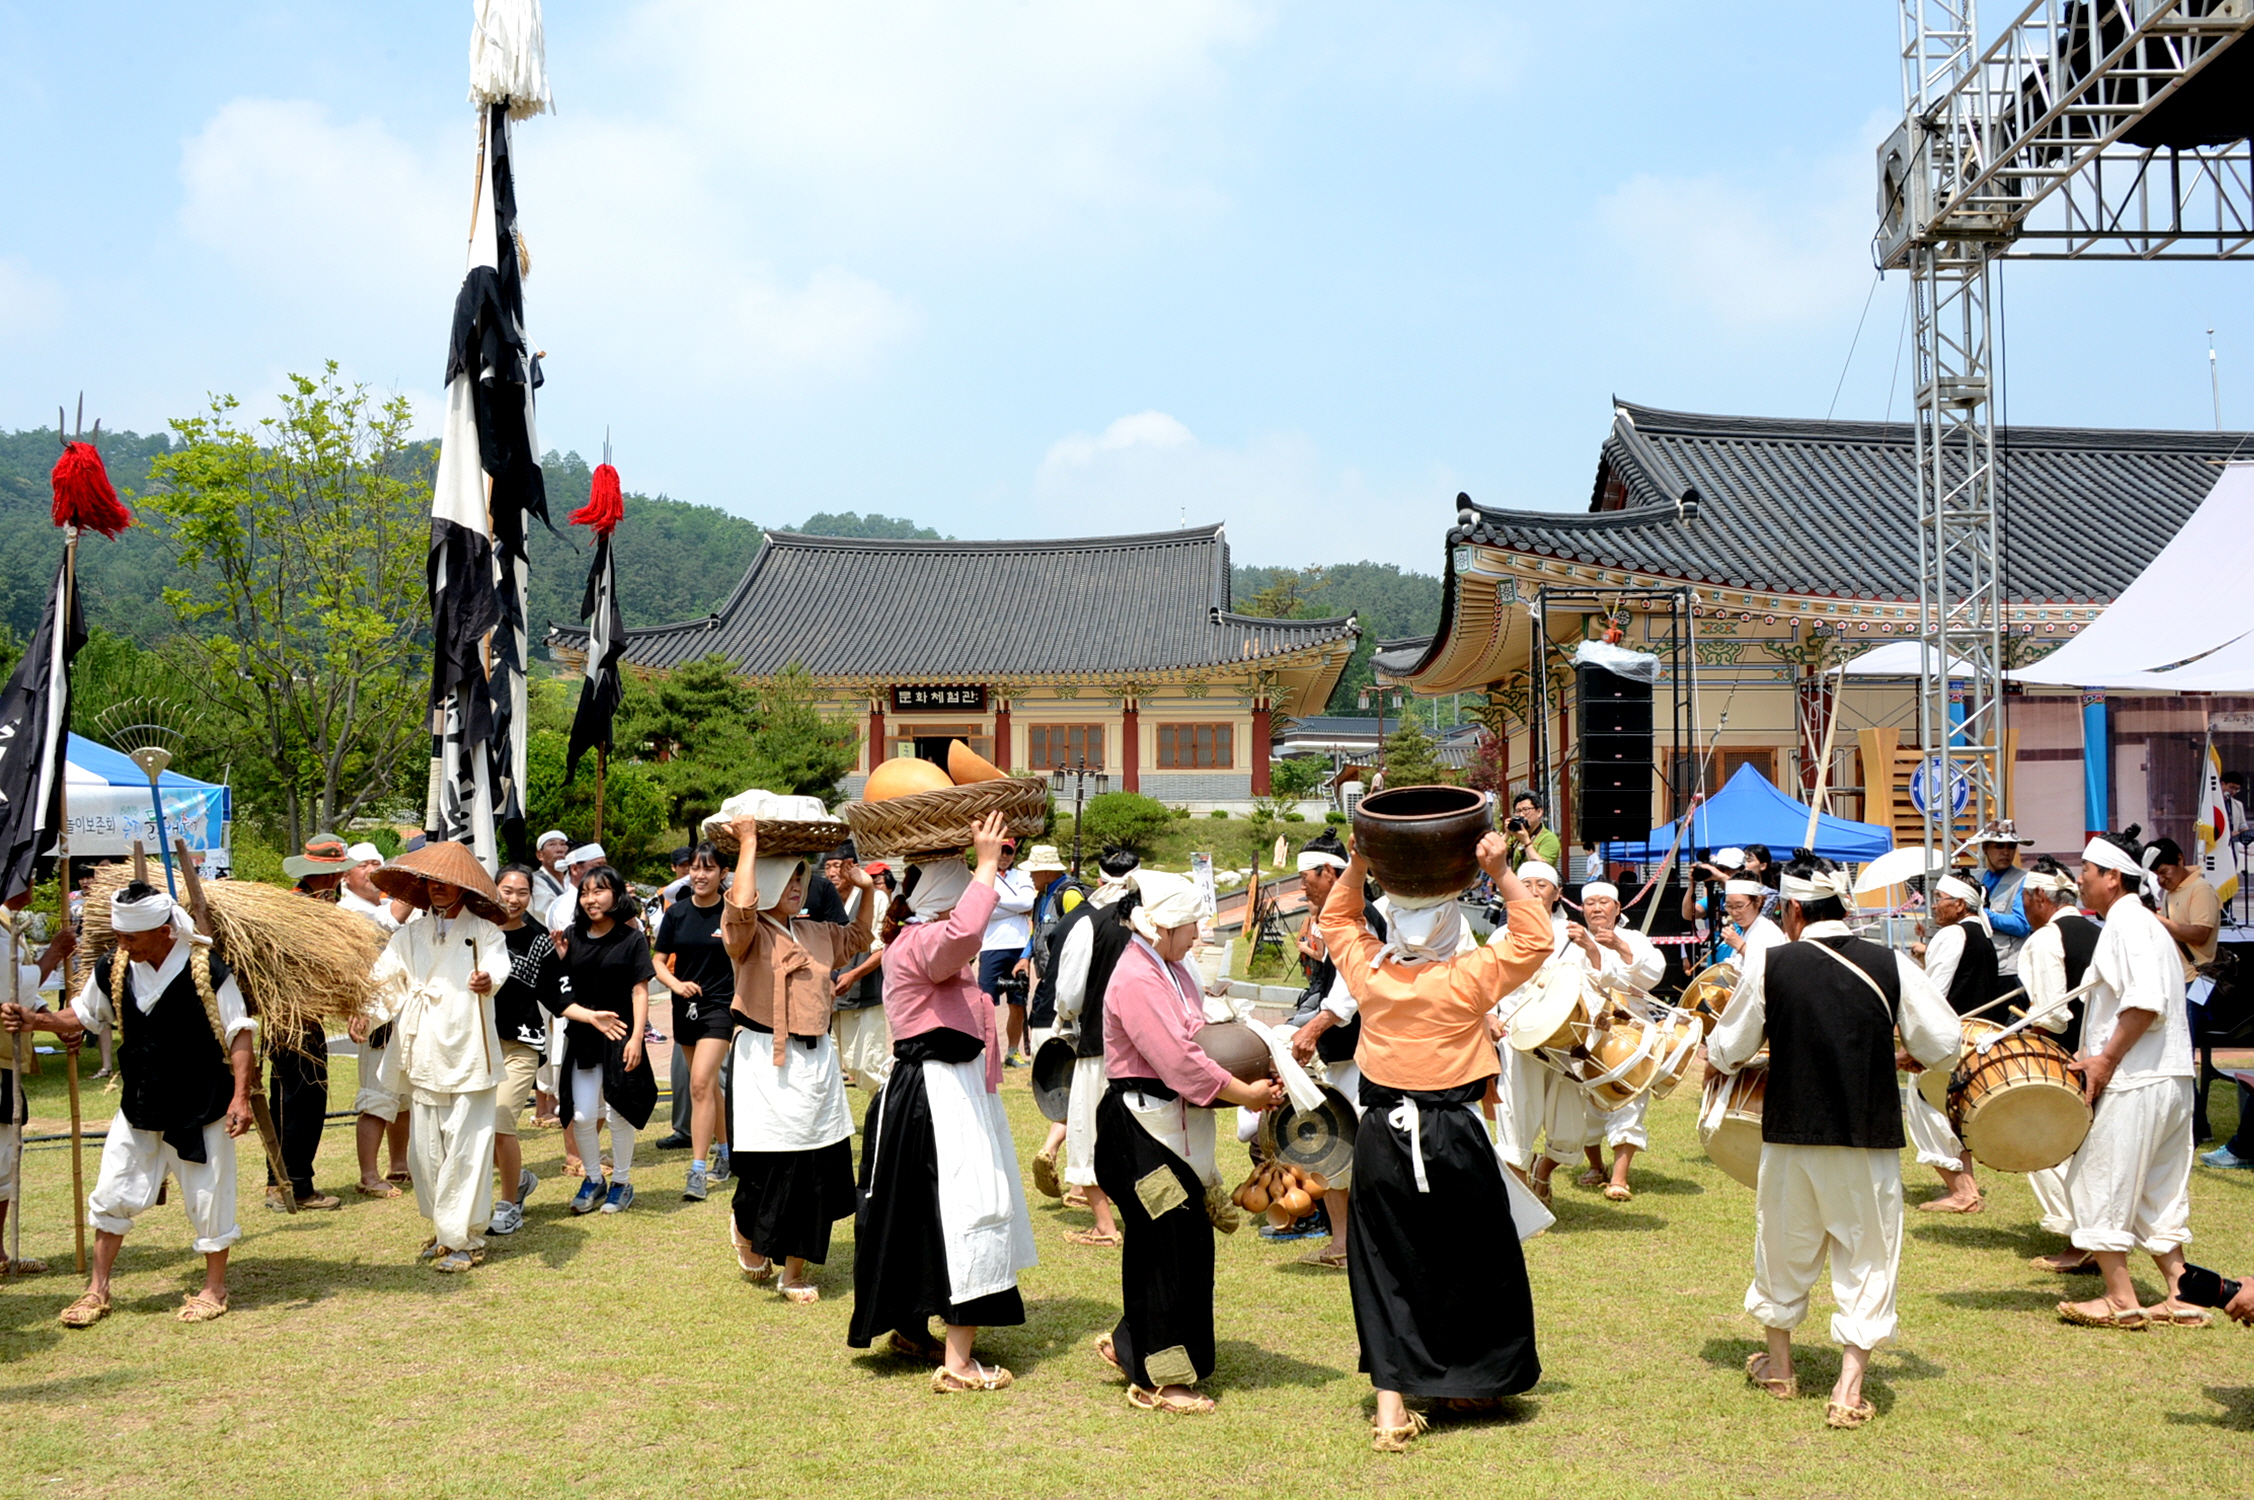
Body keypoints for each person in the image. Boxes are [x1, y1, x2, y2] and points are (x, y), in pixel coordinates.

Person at [1321, 829, 1552, 1452]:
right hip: (1451, 1133)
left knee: (1383, 1264)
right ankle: (1471, 1381)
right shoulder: (1469, 976)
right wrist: (1503, 872)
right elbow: (1536, 938)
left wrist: (1361, 858)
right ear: (1453, 930)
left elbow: (1337, 916)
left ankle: (1391, 1407)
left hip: (1380, 1136)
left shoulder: (1371, 973)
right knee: (1476, 1258)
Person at [1708, 856, 1959, 1429]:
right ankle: (1848, 1389)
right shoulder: (1892, 962)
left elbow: (1728, 1050)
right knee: (1869, 1257)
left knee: (1781, 1246)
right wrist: (1902, 1052)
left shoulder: (1770, 963)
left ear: (1794, 909)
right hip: (1866, 1140)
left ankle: (1779, 1368)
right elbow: (1945, 1043)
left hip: (1791, 1136)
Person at [7, 883, 258, 1326]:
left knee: (209, 1196)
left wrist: (241, 1096)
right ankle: (97, 1289)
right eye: (120, 938)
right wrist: (37, 1020)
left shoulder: (207, 968)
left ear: (164, 931)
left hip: (202, 1103)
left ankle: (214, 1287)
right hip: (140, 1101)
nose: (123, 945)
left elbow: (240, 1032)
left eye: (131, 938)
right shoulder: (113, 968)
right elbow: (81, 1017)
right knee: (112, 1191)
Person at [847, 814, 1038, 1393]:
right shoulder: (926, 943)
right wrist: (983, 864)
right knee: (965, 1211)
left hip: (933, 1093)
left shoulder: (916, 943)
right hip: (936, 1095)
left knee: (920, 1217)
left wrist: (981, 866)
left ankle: (911, 1329)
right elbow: (964, 935)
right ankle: (956, 1364)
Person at [1092, 869, 1283, 1414]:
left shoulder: (1169, 967)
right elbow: (1176, 1058)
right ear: (1161, 926)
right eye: (1192, 923)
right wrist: (1241, 1090)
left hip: (1171, 1121)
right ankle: (1163, 1378)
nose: (1199, 933)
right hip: (1140, 1129)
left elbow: (1194, 1033)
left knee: (1181, 1243)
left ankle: (1133, 1342)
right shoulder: (1136, 976)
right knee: (1167, 1246)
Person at [2041, 832, 2204, 1328]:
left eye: (2086, 874)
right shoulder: (2145, 924)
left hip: (2138, 1079)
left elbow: (2144, 1002)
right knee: (2158, 1189)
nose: (2080, 883)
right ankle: (2181, 1293)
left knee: (2095, 1177)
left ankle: (2119, 1297)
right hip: (2171, 1080)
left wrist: (2105, 1060)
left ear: (2113, 878)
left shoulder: (2127, 923)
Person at [721, 821, 874, 1303]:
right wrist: (748, 844)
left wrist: (865, 890)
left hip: (817, 1060)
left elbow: (861, 936)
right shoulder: (745, 933)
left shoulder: (816, 930)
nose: (794, 887)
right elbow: (740, 907)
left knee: (815, 1168)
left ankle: (794, 1271)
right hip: (764, 1059)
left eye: (799, 879)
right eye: (784, 878)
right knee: (768, 1168)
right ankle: (747, 1228)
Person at [364, 842, 510, 1273]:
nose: (438, 889)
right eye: (431, 882)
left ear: (464, 888)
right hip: (423, 1048)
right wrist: (365, 1013)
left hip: (469, 1050)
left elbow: (498, 967)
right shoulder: (408, 933)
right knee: (424, 1153)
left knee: (468, 1148)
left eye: (447, 882)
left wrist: (487, 979)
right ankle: (445, 1229)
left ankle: (462, 1238)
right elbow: (384, 979)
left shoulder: (486, 932)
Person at [1286, 830, 1385, 1266]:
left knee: (1352, 1150)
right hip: (1348, 1052)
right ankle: (1344, 1244)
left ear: (1330, 873)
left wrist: (1315, 1027)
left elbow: (1351, 986)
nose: (1301, 885)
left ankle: (1360, 1245)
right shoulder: (1337, 911)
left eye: (1306, 876)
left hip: (1362, 1053)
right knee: (1338, 1148)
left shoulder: (1354, 915)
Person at [1041, 848, 1144, 1246]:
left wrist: (1067, 1018)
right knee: (1144, 1129)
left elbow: (1068, 993)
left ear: (1099, 879)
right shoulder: (1154, 919)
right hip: (1147, 1046)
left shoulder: (1089, 921)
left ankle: (1105, 1226)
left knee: (1087, 1131)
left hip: (1099, 1041)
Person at [1490, 861, 1594, 1204]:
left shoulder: (1573, 934)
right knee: (1515, 1121)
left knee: (1570, 1129)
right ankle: (1520, 1205)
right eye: (1526, 884)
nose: (1534, 891)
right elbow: (1484, 986)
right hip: (1518, 1039)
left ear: (1558, 893)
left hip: (1563, 1042)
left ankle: (1543, 1170)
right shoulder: (1500, 936)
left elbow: (1594, 986)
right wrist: (1490, 1018)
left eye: (1542, 885)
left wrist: (1592, 949)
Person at [557, 866, 659, 1216]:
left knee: (620, 1112)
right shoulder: (571, 935)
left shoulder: (632, 938)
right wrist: (559, 958)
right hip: (584, 1035)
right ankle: (593, 1178)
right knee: (583, 1115)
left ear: (616, 895)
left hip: (620, 1035)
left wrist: (636, 1037)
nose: (591, 899)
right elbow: (560, 984)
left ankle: (622, 1182)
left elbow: (640, 990)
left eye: (599, 891)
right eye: (584, 892)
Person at [266, 837, 357, 1213]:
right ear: (332, 873)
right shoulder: (301, 911)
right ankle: (296, 1185)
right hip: (296, 1020)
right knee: (301, 1102)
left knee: (288, 1102)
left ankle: (281, 1180)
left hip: (288, 1018)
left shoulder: (297, 904)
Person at [2017, 861, 2099, 1249]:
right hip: (2101, 1054)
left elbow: (2053, 1016)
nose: (2024, 909)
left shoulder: (2047, 938)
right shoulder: (2095, 931)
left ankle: (2076, 1235)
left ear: (2039, 896)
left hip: (2065, 1058)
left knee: (2041, 1141)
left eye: (2024, 900)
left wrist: (2027, 1029)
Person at [1569, 881, 1667, 1202]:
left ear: (1617, 908)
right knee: (1586, 1107)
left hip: (1631, 1035)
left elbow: (1654, 975)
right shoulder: (1571, 942)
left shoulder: (1635, 939)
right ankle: (1596, 1166)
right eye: (1591, 903)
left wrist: (1620, 949)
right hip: (1586, 1037)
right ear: (1583, 909)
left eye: (1604, 903)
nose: (1597, 909)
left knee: (1629, 1101)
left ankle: (1620, 1178)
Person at [1906, 873, 1995, 1213]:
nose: (1934, 904)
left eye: (1940, 897)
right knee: (1950, 1114)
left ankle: (1961, 1192)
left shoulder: (1953, 933)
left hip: (1947, 1037)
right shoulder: (1982, 933)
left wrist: (1911, 1042)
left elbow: (1934, 996)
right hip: (1975, 1035)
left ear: (1959, 904)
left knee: (1925, 1108)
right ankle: (1966, 1189)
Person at [652, 843, 736, 1202]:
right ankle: (727, 1152)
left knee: (700, 1082)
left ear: (723, 873)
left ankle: (697, 1170)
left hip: (721, 1006)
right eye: (695, 869)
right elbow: (658, 961)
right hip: (684, 1006)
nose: (700, 875)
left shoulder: (734, 912)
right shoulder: (677, 913)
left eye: (709, 868)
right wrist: (675, 984)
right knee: (706, 1089)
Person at [1, 899, 76, 1276]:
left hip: (4, 1057)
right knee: (1, 1158)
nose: (31, 881)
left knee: (5, 1156)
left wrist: (55, 1023)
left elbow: (22, 999)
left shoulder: (5, 920)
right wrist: (54, 954)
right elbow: (12, 985)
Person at [337, 843, 414, 1199]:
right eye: (364, 865)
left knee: (403, 1095)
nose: (371, 870)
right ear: (346, 874)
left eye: (377, 864)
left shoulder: (380, 905)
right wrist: (412, 886)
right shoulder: (346, 911)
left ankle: (399, 1163)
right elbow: (387, 924)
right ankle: (368, 1174)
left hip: (406, 1007)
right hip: (374, 1008)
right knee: (376, 1093)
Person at [488, 866, 561, 1236]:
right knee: (476, 1130)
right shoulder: (477, 930)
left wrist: (591, 1015)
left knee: (500, 1122)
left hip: (521, 1045)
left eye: (522, 892)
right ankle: (517, 1182)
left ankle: (508, 1205)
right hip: (479, 1046)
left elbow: (558, 995)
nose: (513, 899)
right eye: (506, 890)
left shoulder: (538, 939)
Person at [830, 854, 893, 1093]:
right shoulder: (827, 898)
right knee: (832, 1068)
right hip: (832, 997)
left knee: (867, 1065)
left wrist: (854, 975)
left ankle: (885, 1117)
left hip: (864, 993)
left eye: (838, 866)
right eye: (827, 867)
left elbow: (884, 949)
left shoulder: (875, 898)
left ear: (852, 867)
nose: (832, 873)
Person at [980, 838, 1037, 1067]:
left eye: (1008, 852)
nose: (1004, 856)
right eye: (1000, 851)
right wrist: (1017, 908)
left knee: (1018, 1003)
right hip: (990, 946)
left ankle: (1012, 1052)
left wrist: (997, 902)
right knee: (984, 1003)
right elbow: (983, 909)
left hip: (1019, 947)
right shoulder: (984, 874)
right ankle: (986, 1054)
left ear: (1014, 854)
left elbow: (1028, 902)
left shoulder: (1023, 876)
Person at [1016, 844, 1073, 1052]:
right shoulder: (1041, 896)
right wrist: (1025, 957)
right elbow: (1036, 932)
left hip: (1065, 978)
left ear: (1047, 872)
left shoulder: (1069, 894)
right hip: (1047, 977)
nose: (1030, 876)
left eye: (1033, 871)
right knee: (1038, 1021)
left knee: (1057, 1029)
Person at [1972, 820, 2035, 977]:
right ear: (1985, 848)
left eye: (2011, 846)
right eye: (2000, 846)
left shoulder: (2023, 880)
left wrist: (1982, 915)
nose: (2006, 852)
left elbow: (2022, 925)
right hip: (1978, 966)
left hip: (2007, 971)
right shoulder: (1975, 878)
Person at [1503, 791, 1562, 873]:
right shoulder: (1516, 836)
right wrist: (1507, 834)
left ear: (1539, 812)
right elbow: (1492, 854)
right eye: (1518, 811)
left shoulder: (1549, 838)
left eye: (1526, 810)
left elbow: (1540, 869)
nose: (1521, 815)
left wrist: (1526, 842)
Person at [530, 830, 572, 919]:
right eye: (552, 845)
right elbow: (551, 915)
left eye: (563, 844)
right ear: (540, 855)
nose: (560, 849)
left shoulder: (571, 879)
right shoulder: (535, 881)